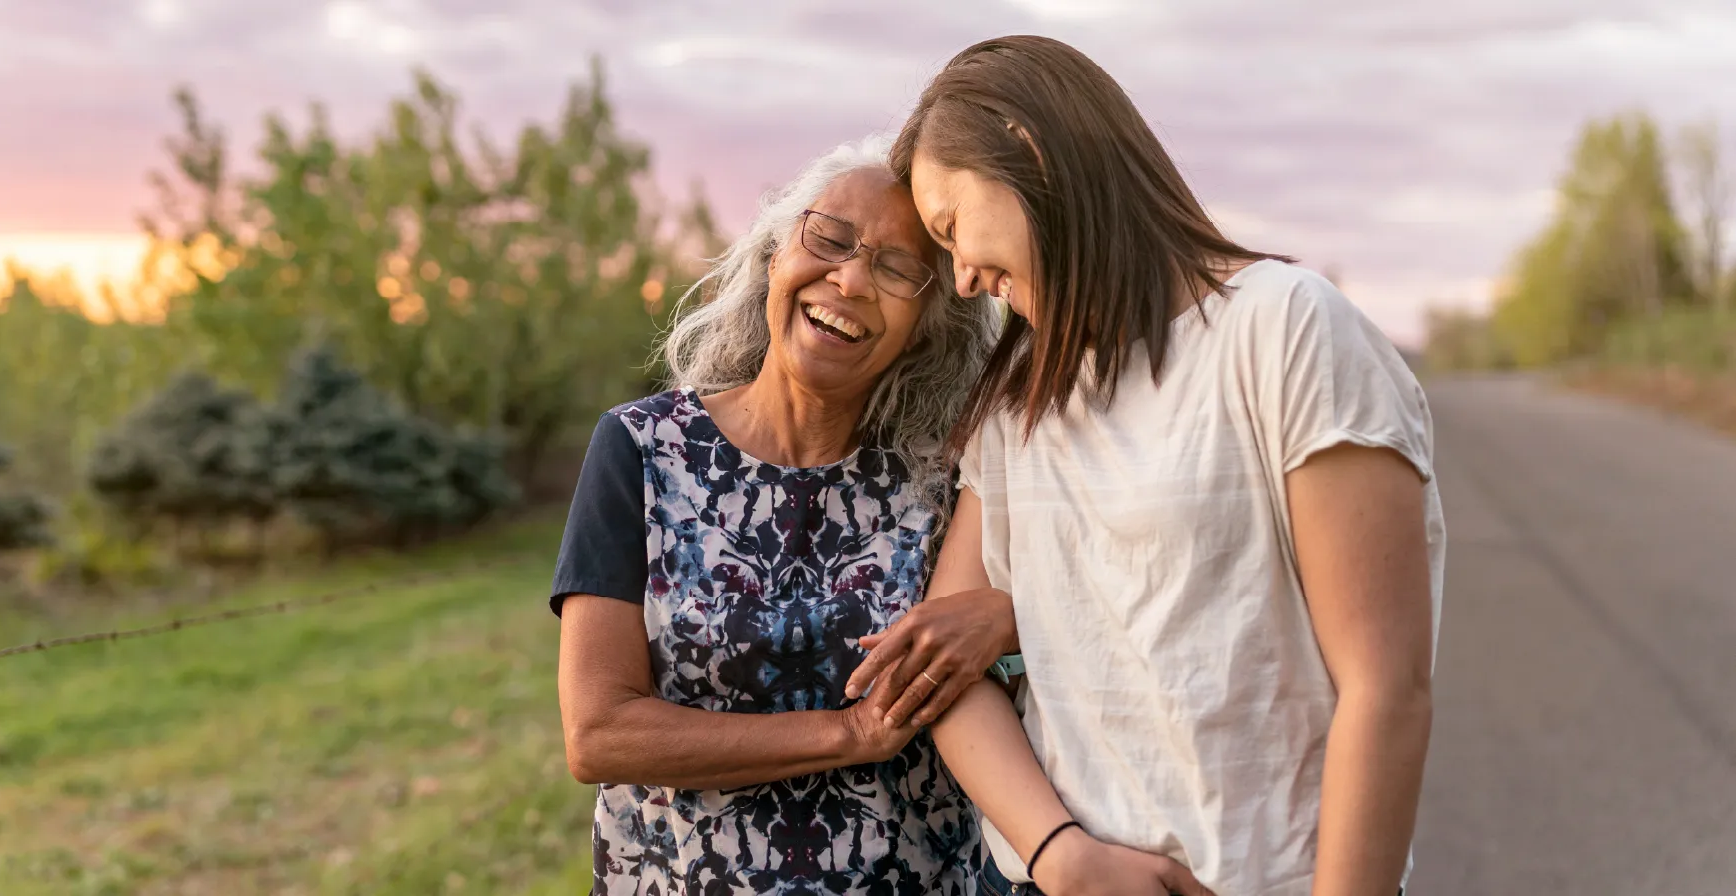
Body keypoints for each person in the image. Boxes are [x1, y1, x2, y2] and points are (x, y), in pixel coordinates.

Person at [847, 36, 1446, 896]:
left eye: (951, 228)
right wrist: (1060, 854)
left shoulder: (1283, 332)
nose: (965, 275)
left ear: (1025, 145)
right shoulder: (1020, 396)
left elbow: (1384, 691)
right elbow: (939, 671)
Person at [552, 134, 1001, 894]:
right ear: (773, 255)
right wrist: (851, 733)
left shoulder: (953, 475)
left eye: (896, 269)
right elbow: (598, 733)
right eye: (828, 238)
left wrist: (1005, 614)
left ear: (929, 325)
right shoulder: (641, 447)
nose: (851, 279)